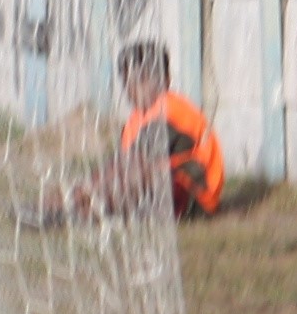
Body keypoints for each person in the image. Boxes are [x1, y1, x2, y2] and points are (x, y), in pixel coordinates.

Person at [25, 42, 226, 228]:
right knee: (108, 178)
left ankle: (65, 207)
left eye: (142, 79)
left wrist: (82, 191)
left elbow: (133, 167)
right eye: (127, 81)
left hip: (195, 199)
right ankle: (59, 211)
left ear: (165, 80)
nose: (132, 89)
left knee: (130, 173)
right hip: (162, 192)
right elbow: (116, 168)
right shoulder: (135, 119)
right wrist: (82, 188)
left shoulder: (172, 111)